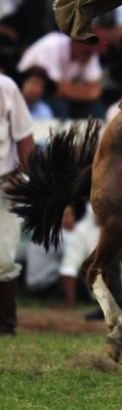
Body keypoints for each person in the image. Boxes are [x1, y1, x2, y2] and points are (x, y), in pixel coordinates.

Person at [0, 73, 34, 335]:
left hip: (4, 182)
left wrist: (23, 177)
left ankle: (5, 324)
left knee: (3, 257)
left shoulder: (6, 87)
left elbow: (25, 136)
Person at [17, 31, 105, 119]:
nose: (90, 55)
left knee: (96, 109)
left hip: (56, 95)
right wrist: (84, 91)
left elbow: (95, 91)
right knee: (60, 107)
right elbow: (55, 88)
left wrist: (69, 90)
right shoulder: (53, 44)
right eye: (87, 51)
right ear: (76, 42)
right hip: (28, 93)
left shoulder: (89, 55)